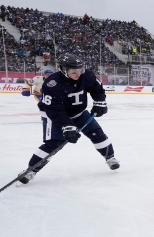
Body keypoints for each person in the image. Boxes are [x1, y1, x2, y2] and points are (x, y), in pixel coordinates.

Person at [19, 53, 118, 184]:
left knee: (98, 135)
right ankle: (31, 170)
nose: (78, 74)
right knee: (54, 144)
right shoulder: (52, 84)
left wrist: (100, 101)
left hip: (79, 112)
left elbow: (97, 89)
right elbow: (53, 109)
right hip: (54, 115)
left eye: (80, 70)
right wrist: (67, 124)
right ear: (64, 70)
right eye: (73, 72)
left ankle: (110, 157)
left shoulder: (86, 75)